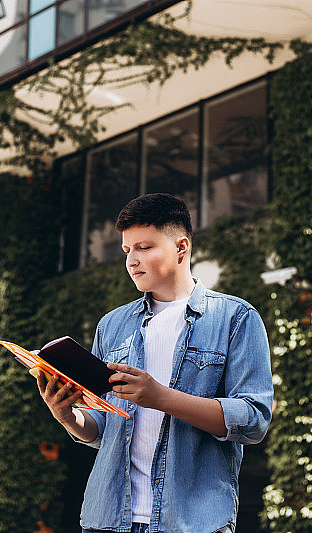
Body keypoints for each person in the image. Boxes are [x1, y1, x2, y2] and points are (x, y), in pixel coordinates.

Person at [36, 193, 273, 533]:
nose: (132, 260)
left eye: (144, 247)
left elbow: (253, 420)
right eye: (127, 250)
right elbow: (105, 431)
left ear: (181, 247)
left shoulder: (234, 318)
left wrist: (159, 398)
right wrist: (68, 416)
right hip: (110, 521)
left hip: (192, 523)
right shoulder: (112, 325)